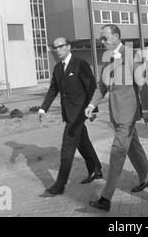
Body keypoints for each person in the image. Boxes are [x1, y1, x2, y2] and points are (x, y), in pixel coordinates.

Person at [86, 24, 148, 212]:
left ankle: (105, 198)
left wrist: (147, 109)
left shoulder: (132, 55)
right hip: (115, 113)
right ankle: (147, 177)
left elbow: (144, 84)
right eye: (101, 39)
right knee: (133, 146)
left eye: (105, 38)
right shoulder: (107, 59)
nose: (102, 42)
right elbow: (102, 86)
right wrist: (92, 105)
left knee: (117, 154)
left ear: (116, 36)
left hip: (128, 114)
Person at [38, 37, 102, 195]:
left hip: (80, 113)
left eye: (60, 47)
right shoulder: (58, 68)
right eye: (55, 47)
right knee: (82, 142)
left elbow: (91, 86)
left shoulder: (80, 64)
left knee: (67, 148)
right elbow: (53, 89)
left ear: (68, 47)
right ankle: (96, 169)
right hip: (68, 113)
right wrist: (43, 109)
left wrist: (93, 110)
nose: (57, 50)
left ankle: (60, 184)